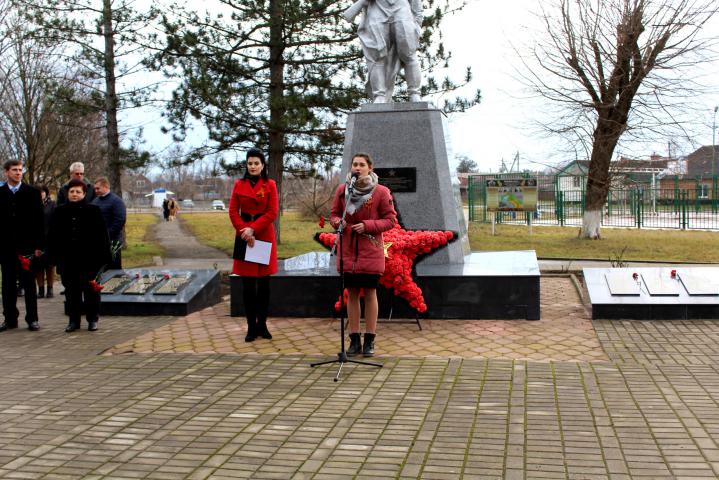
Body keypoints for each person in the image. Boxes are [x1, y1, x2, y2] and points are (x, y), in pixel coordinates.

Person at [330, 153, 397, 356]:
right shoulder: (343, 191)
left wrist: (368, 225)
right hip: (348, 251)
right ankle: (354, 340)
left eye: (361, 165)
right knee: (351, 294)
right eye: (354, 165)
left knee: (369, 294)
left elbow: (390, 220)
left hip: (370, 251)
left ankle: (369, 340)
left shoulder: (381, 192)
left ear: (370, 168)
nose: (357, 168)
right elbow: (334, 214)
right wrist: (336, 222)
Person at [46, 179, 110, 332]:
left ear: (84, 193)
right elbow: (53, 235)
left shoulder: (93, 211)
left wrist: (104, 258)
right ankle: (73, 321)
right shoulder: (59, 211)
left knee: (91, 292)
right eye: (72, 191)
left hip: (89, 260)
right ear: (67, 193)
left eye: (78, 192)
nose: (74, 194)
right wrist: (52, 256)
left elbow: (102, 235)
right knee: (72, 292)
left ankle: (92, 319)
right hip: (68, 260)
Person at [229, 148, 278, 342]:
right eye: (250, 163)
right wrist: (244, 230)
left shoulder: (270, 184)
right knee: (248, 286)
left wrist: (254, 229)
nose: (253, 166)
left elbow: (272, 212)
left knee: (264, 286)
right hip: (244, 237)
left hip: (263, 235)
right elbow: (233, 211)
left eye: (256, 163)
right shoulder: (238, 184)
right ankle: (251, 327)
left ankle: (262, 325)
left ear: (263, 165)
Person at [344, 0, 423, 103]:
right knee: (377, 56)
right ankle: (379, 95)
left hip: (402, 9)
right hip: (377, 10)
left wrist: (417, 22)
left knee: (409, 54)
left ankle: (414, 94)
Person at [0, 160, 43, 332]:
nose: (18, 173)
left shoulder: (31, 193)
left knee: (29, 284)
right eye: (14, 170)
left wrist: (39, 245)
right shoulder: (1, 193)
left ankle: (32, 319)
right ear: (6, 172)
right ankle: (10, 318)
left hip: (27, 247)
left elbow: (39, 221)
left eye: (20, 170)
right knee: (8, 285)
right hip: (6, 247)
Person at [92, 177, 127, 270]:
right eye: (94, 188)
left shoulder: (116, 201)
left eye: (97, 188)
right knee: (100, 269)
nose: (95, 191)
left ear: (105, 186)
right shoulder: (95, 201)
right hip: (98, 242)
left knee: (113, 270)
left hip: (113, 241)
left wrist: (107, 235)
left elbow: (120, 220)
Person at [35, 185, 56, 298]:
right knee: (38, 265)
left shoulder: (52, 205)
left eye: (42, 192)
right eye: (38, 192)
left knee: (50, 265)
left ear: (46, 193)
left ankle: (50, 288)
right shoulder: (32, 205)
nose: (41, 194)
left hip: (50, 239)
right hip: (37, 239)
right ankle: (41, 289)